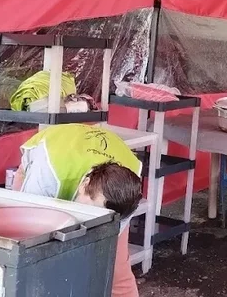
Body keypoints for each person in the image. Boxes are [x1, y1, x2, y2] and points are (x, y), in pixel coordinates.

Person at [12, 124, 142, 297]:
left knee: (117, 271)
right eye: (93, 213)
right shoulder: (47, 175)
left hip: (94, 155)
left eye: (105, 218)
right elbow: (27, 236)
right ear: (85, 184)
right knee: (29, 261)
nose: (93, 223)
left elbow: (106, 241)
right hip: (52, 161)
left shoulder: (129, 191)